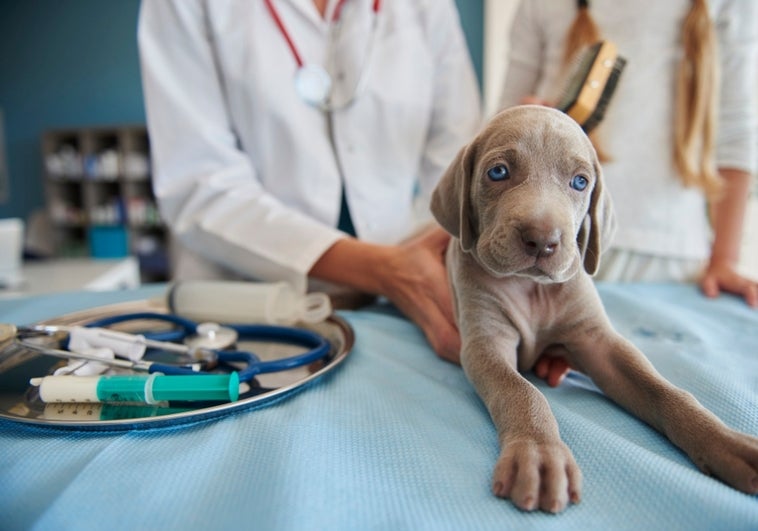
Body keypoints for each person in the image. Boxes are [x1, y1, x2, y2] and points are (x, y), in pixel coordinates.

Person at [137, 0, 482, 363]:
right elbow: (198, 181)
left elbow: (457, 160)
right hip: (249, 306)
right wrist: (387, 270)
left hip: (400, 303)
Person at [498, 0, 758, 312]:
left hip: (674, 262)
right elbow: (501, 126)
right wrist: (525, 120)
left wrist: (725, 259)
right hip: (553, 245)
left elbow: (735, 136)